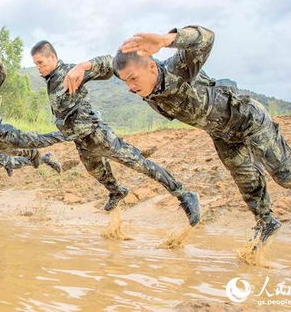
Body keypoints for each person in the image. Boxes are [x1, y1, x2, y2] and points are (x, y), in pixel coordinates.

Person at [65, 25, 291, 266]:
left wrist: (167, 39)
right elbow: (113, 65)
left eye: (134, 80)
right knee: (249, 186)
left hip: (249, 121)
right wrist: (84, 66)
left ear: (152, 66)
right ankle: (265, 224)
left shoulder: (178, 69)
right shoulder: (139, 78)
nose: (130, 87)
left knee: (289, 177)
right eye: (127, 82)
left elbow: (205, 38)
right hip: (222, 134)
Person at [30, 40, 200, 226]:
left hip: (98, 135)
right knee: (96, 172)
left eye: (40, 63)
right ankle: (117, 192)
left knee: (141, 164)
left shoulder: (69, 72)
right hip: (81, 141)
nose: (38, 68)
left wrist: (83, 66)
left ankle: (184, 194)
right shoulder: (52, 80)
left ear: (52, 57)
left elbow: (111, 64)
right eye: (35, 64)